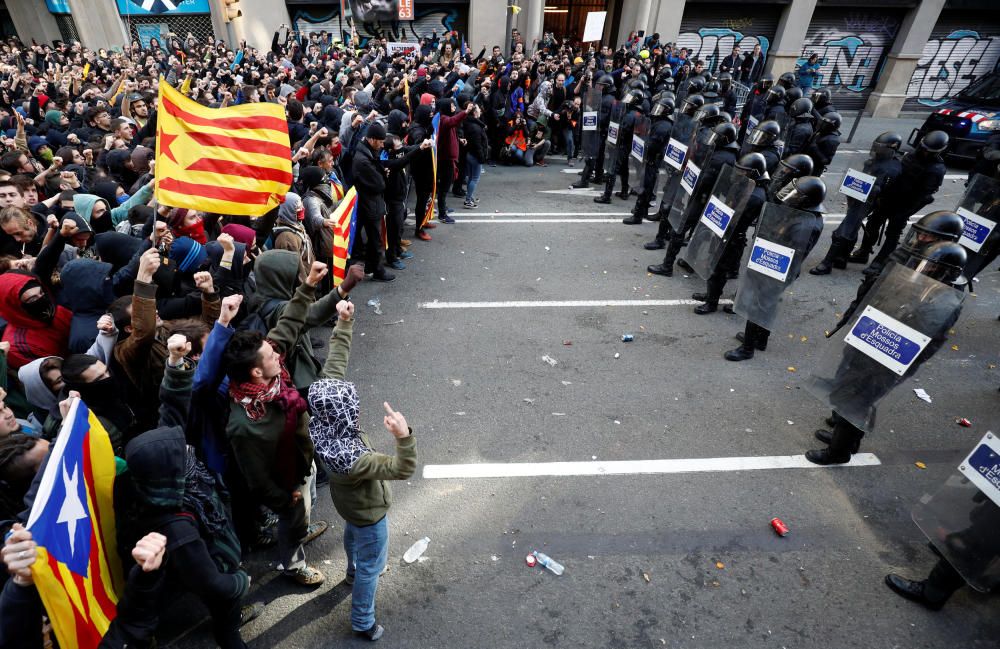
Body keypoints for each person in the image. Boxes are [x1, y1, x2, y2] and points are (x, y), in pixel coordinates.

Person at [308, 299, 416, 642]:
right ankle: (363, 621)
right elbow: (402, 469)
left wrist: (343, 323)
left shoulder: (322, 419)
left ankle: (351, 572)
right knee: (372, 565)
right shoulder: (354, 456)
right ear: (347, 411)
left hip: (349, 508)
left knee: (353, 539)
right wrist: (404, 436)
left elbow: (334, 368)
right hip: (369, 514)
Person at [222, 261, 331, 587]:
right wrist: (283, 499)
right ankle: (294, 565)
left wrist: (310, 283)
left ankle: (302, 521)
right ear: (257, 372)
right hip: (286, 484)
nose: (278, 354)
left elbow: (289, 322)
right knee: (292, 522)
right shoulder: (245, 424)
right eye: (271, 356)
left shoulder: (270, 369)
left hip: (302, 461)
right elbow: (256, 477)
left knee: (307, 501)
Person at [351, 122, 394, 283]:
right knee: (375, 238)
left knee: (371, 237)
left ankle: (370, 266)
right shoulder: (363, 159)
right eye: (381, 142)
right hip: (369, 203)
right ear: (372, 140)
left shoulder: (367, 152)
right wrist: (383, 175)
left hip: (368, 202)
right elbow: (379, 185)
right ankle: (378, 270)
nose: (382, 145)